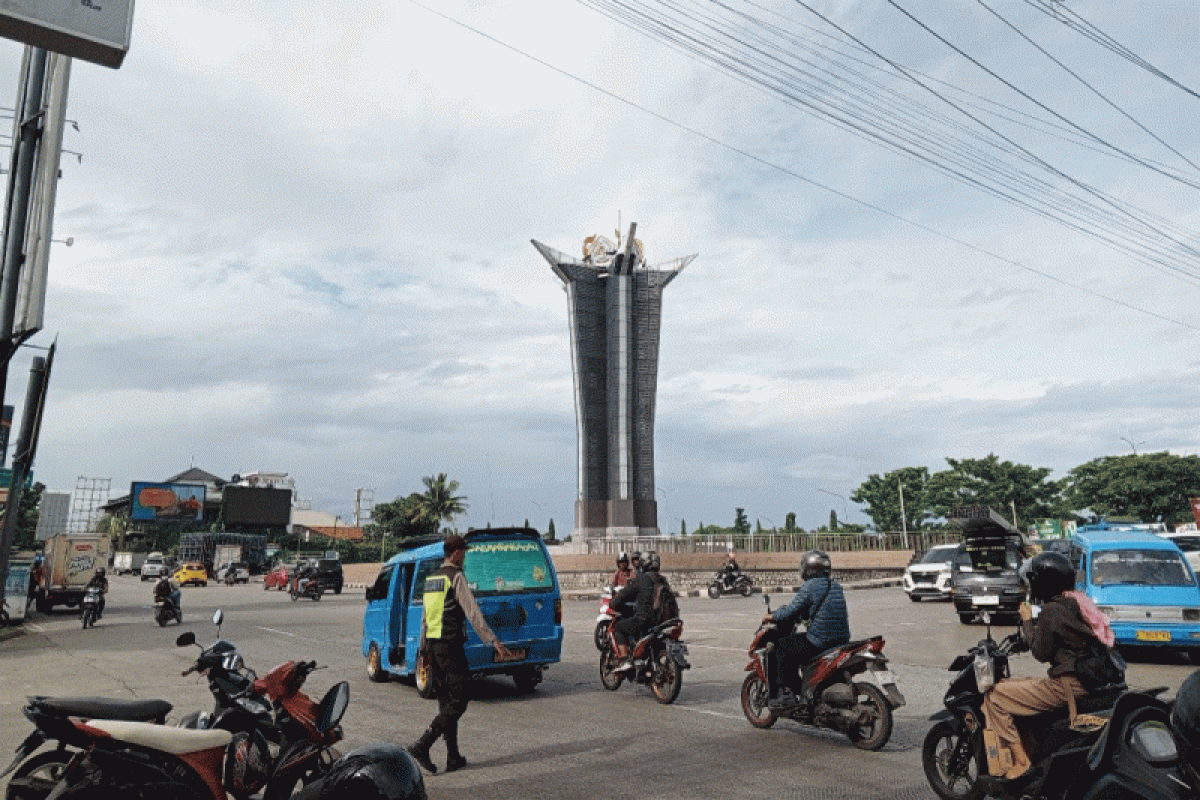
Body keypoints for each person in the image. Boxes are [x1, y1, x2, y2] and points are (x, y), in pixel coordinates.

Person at [982, 551, 1113, 785]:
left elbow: (1041, 653)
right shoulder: (1075, 602)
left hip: (1068, 685)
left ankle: (1022, 762)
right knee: (1014, 683)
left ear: (1043, 582)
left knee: (995, 695)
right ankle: (1032, 747)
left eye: (1033, 581)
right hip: (1084, 679)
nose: (1031, 586)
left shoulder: (1052, 611)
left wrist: (1027, 621)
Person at [408, 535, 512, 776]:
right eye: (464, 552)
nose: (465, 556)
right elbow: (472, 612)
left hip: (433, 647)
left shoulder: (432, 579)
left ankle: (453, 756)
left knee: (446, 702)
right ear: (456, 553)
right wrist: (492, 639)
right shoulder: (455, 577)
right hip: (450, 646)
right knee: (460, 697)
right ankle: (423, 744)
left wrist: (422, 652)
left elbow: (425, 618)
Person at [763, 550, 849, 708]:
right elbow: (814, 610)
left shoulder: (810, 586)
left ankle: (786, 694)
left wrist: (772, 617)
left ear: (809, 568)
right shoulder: (835, 586)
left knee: (782, 646)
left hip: (820, 641)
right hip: (842, 640)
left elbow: (791, 610)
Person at [609, 551, 673, 672]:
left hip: (644, 620)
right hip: (662, 621)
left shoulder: (641, 579)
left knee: (619, 628)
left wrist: (613, 603)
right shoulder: (662, 579)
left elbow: (625, 594)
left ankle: (624, 660)